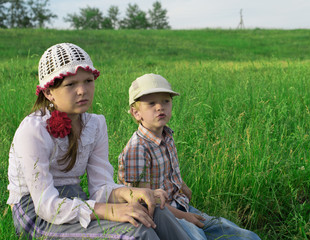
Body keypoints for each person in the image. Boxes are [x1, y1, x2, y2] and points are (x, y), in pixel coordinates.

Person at [7, 43, 190, 240]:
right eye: (70, 84)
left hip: (77, 201)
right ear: (48, 92)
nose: (82, 91)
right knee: (138, 231)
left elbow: (101, 187)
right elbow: (46, 206)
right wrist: (112, 212)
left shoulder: (95, 124)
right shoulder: (34, 130)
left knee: (153, 210)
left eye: (88, 81)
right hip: (38, 214)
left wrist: (134, 193)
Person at [118, 73, 261, 240]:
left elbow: (166, 174)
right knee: (197, 237)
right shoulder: (137, 149)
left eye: (166, 101)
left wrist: (182, 186)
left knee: (245, 236)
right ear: (136, 113)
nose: (160, 107)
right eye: (151, 103)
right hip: (163, 217)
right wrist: (185, 217)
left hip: (181, 207)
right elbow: (146, 202)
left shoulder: (166, 136)